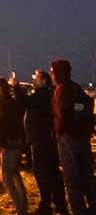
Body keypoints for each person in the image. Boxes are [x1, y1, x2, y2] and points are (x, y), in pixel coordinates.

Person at [51, 58, 95, 215]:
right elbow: (88, 105)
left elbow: (61, 114)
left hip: (68, 138)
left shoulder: (62, 90)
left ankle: (79, 209)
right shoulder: (76, 88)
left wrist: (59, 130)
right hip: (82, 137)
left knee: (71, 177)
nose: (51, 74)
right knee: (86, 174)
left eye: (53, 71)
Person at [23, 70, 68, 215]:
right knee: (53, 172)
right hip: (48, 139)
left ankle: (46, 204)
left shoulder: (41, 95)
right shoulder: (49, 95)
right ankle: (59, 204)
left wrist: (17, 88)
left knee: (43, 173)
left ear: (43, 81)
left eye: (36, 78)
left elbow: (24, 102)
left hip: (41, 140)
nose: (34, 80)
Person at [0, 76, 28, 215]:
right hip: (5, 142)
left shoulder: (8, 103)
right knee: (14, 174)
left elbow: (4, 122)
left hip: (10, 142)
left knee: (7, 177)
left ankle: (20, 208)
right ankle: (22, 206)